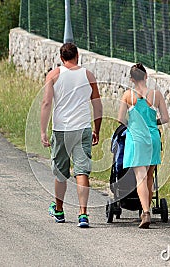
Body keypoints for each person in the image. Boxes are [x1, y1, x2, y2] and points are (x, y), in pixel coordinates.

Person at [40, 43, 102, 228]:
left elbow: (46, 103)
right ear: (77, 55)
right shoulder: (87, 75)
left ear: (61, 58)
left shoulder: (54, 75)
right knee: (82, 171)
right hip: (82, 128)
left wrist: (43, 130)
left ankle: (59, 210)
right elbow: (97, 105)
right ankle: (83, 214)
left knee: (60, 172)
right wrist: (96, 129)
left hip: (61, 129)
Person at [117, 63, 169, 228]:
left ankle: (145, 212)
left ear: (132, 79)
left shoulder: (128, 95)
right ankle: (145, 210)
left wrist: (132, 124)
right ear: (146, 76)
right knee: (149, 177)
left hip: (136, 139)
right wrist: (154, 122)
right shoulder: (156, 95)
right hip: (152, 138)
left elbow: (120, 119)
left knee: (140, 176)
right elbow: (166, 119)